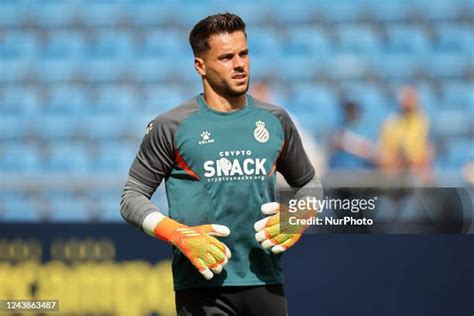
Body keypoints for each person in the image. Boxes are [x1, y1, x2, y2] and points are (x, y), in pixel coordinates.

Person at [120, 13, 321, 315]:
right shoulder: (171, 126)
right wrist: (179, 235)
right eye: (226, 57)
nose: (239, 64)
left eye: (244, 53)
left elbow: (309, 185)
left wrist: (298, 217)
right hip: (202, 287)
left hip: (267, 282)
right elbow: (131, 198)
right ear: (200, 66)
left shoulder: (275, 119)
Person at [378, 86, 433, 182]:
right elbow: (384, 152)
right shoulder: (391, 122)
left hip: (416, 169)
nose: (408, 101)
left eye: (410, 97)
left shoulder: (423, 120)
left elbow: (427, 151)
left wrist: (412, 160)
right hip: (395, 169)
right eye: (405, 97)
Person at [329, 101, 377, 169]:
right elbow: (332, 144)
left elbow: (370, 151)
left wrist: (347, 143)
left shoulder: (366, 129)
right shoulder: (340, 127)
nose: (351, 113)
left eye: (353, 110)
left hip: (361, 171)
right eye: (349, 111)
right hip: (340, 170)